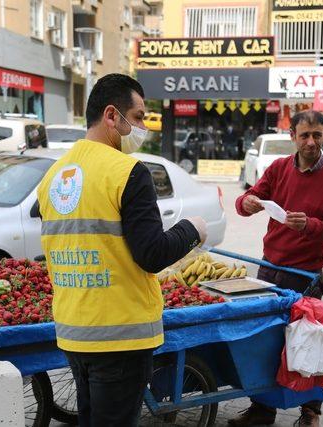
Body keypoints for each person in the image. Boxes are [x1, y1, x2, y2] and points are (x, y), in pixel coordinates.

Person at [37, 74, 207, 427]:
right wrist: (193, 230)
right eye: (140, 116)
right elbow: (153, 254)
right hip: (120, 336)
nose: (143, 126)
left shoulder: (54, 175)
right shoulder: (128, 171)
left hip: (73, 331)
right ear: (112, 115)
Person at [230, 110, 323, 427]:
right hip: (269, 269)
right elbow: (247, 199)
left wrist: (309, 225)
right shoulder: (278, 168)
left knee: (308, 344)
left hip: (307, 275)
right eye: (304, 135)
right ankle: (262, 408)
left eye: (317, 135)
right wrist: (247, 204)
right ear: (293, 137)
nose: (311, 142)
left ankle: (310, 412)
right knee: (265, 342)